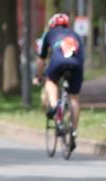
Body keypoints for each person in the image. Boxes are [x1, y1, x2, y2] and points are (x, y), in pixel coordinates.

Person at [33, 13, 84, 150]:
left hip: (58, 61)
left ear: (52, 24)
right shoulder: (75, 35)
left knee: (50, 81)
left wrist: (38, 75)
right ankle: (74, 131)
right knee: (74, 98)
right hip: (77, 64)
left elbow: (41, 59)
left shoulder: (49, 34)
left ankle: (55, 106)